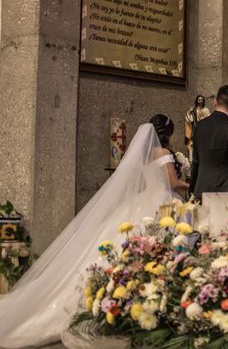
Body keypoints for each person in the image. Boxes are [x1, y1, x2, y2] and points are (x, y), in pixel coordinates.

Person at [0, 116, 183, 348]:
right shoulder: (163, 152)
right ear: (168, 132)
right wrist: (190, 181)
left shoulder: (144, 155)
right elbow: (173, 182)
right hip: (161, 204)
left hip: (139, 201)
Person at [189, 85, 228, 199]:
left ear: (215, 102)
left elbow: (195, 162)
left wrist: (192, 190)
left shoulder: (199, 126)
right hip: (226, 191)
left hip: (201, 189)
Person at [185, 94, 211, 161]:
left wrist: (203, 117)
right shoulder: (194, 110)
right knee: (193, 145)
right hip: (196, 129)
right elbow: (190, 119)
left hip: (204, 129)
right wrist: (189, 112)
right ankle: (193, 160)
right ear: (197, 101)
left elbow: (209, 119)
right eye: (199, 100)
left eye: (202, 100)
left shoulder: (206, 110)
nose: (200, 101)